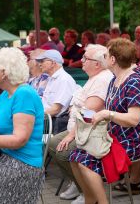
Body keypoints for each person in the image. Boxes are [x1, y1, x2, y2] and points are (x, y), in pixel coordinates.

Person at [70, 38, 140, 203]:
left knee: (84, 160)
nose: (104, 58)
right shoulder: (115, 79)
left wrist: (108, 114)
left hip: (131, 139)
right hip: (115, 135)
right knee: (74, 156)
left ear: (113, 60)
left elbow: (134, 119)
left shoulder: (133, 81)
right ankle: (91, 200)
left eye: (106, 55)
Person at [0, 47, 44, 203]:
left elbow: (19, 139)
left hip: (22, 164)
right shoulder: (7, 93)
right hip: (3, 155)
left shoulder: (24, 94)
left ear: (4, 72)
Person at [48, 44, 113, 204]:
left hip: (92, 132)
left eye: (86, 58)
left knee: (63, 151)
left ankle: (87, 190)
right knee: (53, 143)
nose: (81, 60)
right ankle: (80, 185)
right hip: (80, 129)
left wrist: (70, 135)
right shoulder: (94, 77)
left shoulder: (103, 80)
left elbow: (88, 113)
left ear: (97, 64)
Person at [36, 49, 77, 134]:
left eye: (42, 61)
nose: (40, 64)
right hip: (46, 121)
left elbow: (56, 109)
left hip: (51, 124)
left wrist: (34, 117)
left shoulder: (64, 79)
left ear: (53, 63)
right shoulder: (53, 78)